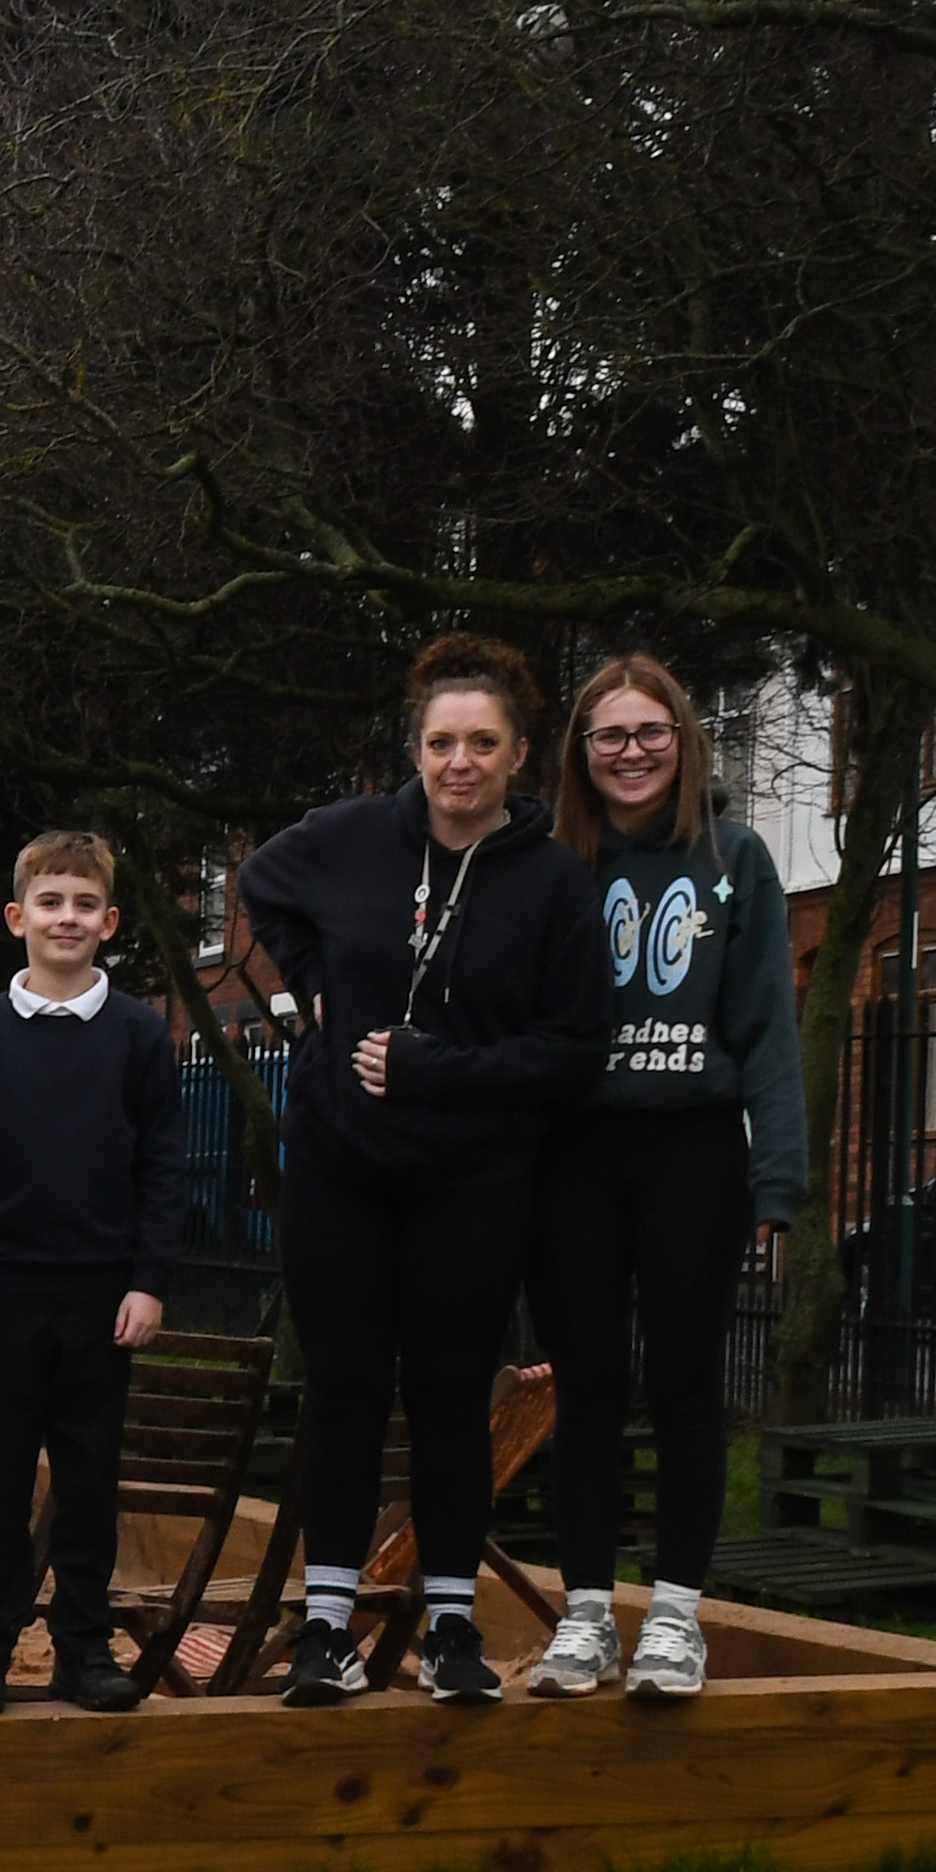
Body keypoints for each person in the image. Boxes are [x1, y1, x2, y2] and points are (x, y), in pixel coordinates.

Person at [235, 635, 611, 1706]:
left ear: (520, 755)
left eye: (483, 743)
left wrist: (440, 1072)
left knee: (450, 1397)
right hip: (341, 1167)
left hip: (472, 1178)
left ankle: (451, 1627)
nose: (460, 762)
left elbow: (575, 1049)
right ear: (416, 749)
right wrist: (311, 979)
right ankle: (327, 1629)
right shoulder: (347, 838)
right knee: (344, 1391)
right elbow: (261, 884)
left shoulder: (552, 881)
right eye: (442, 742)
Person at [522, 656, 807, 1704]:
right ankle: (587, 1614)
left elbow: (769, 1028)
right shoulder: (550, 864)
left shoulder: (737, 858)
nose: (631, 751)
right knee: (585, 1386)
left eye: (652, 732)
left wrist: (780, 1184)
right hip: (573, 1158)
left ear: (684, 740)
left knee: (687, 1382)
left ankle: (677, 1617)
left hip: (694, 1150)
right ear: (581, 752)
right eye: (610, 734)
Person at [0, 829, 189, 1717]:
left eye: (84, 904)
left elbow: (164, 1167)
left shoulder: (139, 1035)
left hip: (103, 1299)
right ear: (17, 916)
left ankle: (84, 1646)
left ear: (109, 921)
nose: (65, 918)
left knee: (89, 1479)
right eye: (50, 902)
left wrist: (149, 1279)